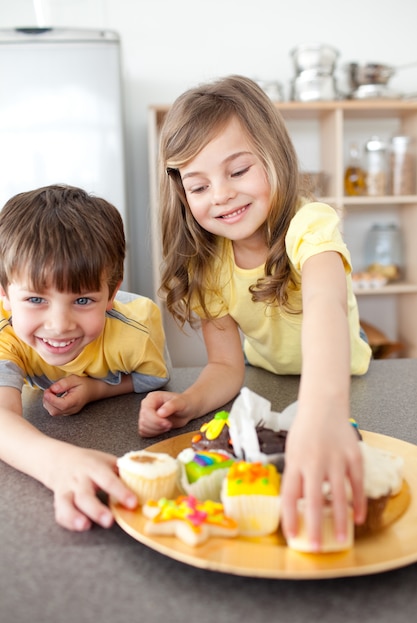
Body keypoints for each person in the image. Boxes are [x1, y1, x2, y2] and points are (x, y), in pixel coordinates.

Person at [139, 75, 372, 550]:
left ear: (273, 157)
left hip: (345, 386)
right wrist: (190, 403)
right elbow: (226, 367)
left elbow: (326, 304)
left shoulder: (311, 225)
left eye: (238, 170)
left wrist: (324, 411)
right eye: (199, 185)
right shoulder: (208, 266)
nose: (220, 194)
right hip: (266, 385)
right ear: (182, 193)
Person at [0, 184, 169, 531]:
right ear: (4, 295)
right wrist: (57, 462)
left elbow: (153, 378)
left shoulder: (136, 331)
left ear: (111, 294)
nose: (59, 326)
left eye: (82, 300)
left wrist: (96, 389)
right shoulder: (5, 333)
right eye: (35, 300)